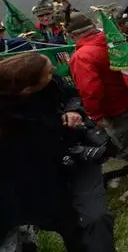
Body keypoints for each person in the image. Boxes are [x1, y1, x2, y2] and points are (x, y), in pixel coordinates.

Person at [0, 52, 115, 252]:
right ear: (29, 88)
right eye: (48, 72)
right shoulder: (8, 120)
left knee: (96, 218)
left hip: (77, 161)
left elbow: (71, 94)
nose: (54, 72)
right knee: (71, 228)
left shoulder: (50, 83)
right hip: (39, 179)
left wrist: (73, 111)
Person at [66, 11, 128, 167]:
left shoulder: (81, 56)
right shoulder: (110, 40)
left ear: (72, 35)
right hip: (125, 96)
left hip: (111, 107)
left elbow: (91, 90)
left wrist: (95, 114)